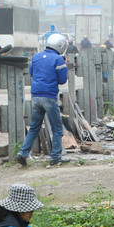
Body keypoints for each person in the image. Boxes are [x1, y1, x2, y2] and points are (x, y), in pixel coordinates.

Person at [15, 33, 69, 168]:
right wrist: (64, 66)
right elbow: (62, 80)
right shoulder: (58, 60)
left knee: (34, 127)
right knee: (57, 129)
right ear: (61, 46)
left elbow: (33, 74)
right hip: (49, 97)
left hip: (35, 97)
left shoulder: (36, 57)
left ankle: (23, 153)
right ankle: (56, 157)